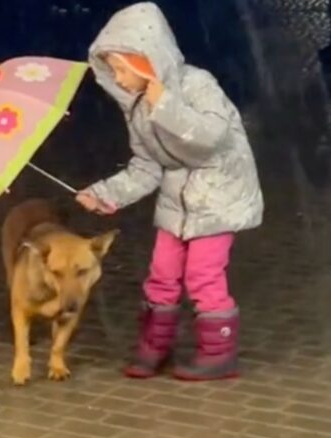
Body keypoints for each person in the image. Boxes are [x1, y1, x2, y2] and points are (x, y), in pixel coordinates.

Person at [75, 2, 264, 381]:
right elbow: (148, 165)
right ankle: (154, 347)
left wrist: (166, 105)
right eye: (111, 70)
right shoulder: (138, 109)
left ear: (145, 62)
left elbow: (211, 138)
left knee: (203, 275)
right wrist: (106, 193)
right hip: (177, 200)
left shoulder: (198, 85)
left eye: (120, 69)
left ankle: (218, 352)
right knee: (161, 272)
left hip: (218, 195)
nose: (117, 79)